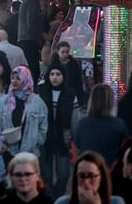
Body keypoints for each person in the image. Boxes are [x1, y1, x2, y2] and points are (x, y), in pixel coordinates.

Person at [38, 61, 80, 196]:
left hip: (64, 138)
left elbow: (75, 118)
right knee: (46, 176)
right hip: (45, 139)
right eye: (52, 74)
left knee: (63, 174)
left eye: (58, 74)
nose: (55, 77)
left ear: (64, 76)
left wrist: (75, 140)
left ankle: (58, 195)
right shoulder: (41, 93)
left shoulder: (70, 94)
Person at [0, 66, 48, 158]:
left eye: (18, 78)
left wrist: (36, 141)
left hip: (31, 153)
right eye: (12, 78)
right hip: (8, 152)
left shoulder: (37, 102)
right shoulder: (4, 101)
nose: (14, 81)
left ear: (26, 79)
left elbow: (43, 126)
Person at [74, 84, 129, 166]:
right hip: (110, 170)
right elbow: (126, 148)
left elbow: (77, 144)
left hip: (87, 169)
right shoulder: (119, 124)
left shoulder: (82, 123)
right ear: (111, 102)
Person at [53, 152, 123, 204]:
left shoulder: (116, 202)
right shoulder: (62, 202)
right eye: (81, 176)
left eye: (91, 176)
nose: (86, 182)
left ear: (101, 178)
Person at [17, 0, 49, 82]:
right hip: (29, 40)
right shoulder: (32, 2)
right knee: (32, 68)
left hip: (26, 39)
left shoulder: (28, 1)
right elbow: (31, 23)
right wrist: (42, 34)